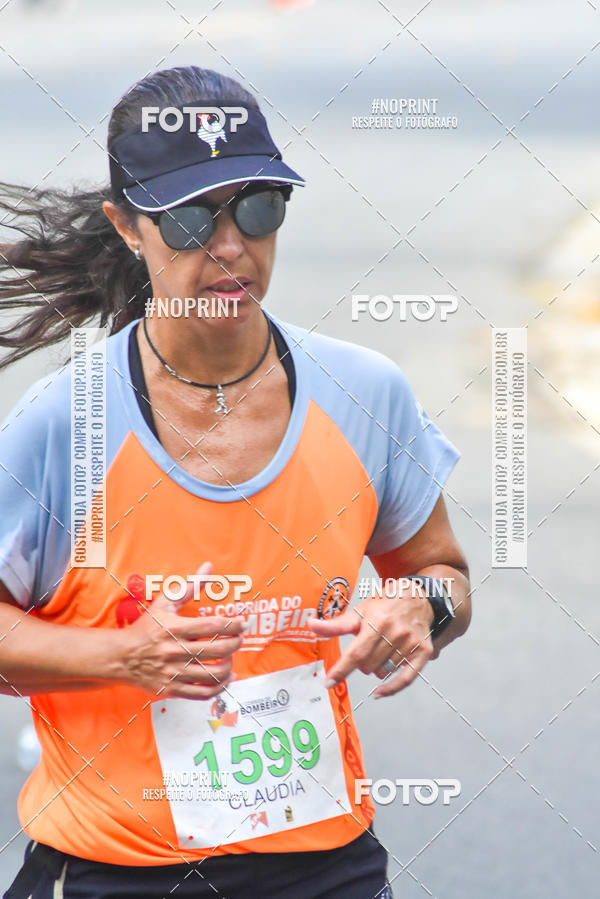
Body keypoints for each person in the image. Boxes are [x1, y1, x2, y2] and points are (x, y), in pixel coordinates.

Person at [0, 65, 470, 898]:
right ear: (126, 226)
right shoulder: (62, 423)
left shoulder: (366, 392)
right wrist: (121, 655)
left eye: (257, 208)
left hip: (325, 867)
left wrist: (419, 605)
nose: (229, 248)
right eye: (188, 219)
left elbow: (444, 574)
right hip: (115, 870)